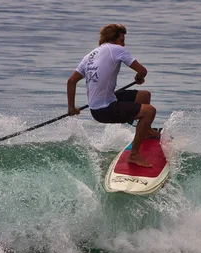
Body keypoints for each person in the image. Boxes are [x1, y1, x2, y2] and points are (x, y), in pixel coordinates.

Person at [66, 24, 159, 168]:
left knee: (144, 96)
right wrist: (139, 77)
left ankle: (145, 131)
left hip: (96, 108)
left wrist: (71, 107)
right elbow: (143, 71)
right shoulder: (117, 50)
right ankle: (134, 155)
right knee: (149, 111)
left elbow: (71, 81)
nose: (124, 43)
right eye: (122, 40)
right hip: (105, 110)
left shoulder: (90, 56)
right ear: (114, 39)